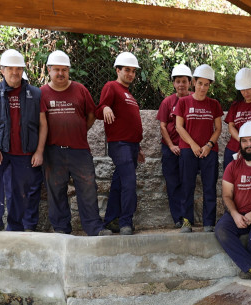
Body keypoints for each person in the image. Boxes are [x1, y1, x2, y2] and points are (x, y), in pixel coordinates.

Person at [40, 50, 111, 236]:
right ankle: (61, 229)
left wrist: (78, 131)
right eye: (56, 69)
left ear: (69, 70)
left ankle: (94, 228)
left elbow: (91, 115)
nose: (60, 73)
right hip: (53, 151)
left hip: (79, 150)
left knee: (88, 188)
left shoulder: (80, 90)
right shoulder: (42, 93)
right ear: (48, 70)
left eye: (64, 69)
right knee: (56, 190)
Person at [0, 49, 47, 235]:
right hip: (0, 149)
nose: (15, 72)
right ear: (2, 70)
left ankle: (15, 227)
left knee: (20, 191)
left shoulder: (35, 94)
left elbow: (43, 124)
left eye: (18, 68)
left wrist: (39, 151)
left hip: (25, 152)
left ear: (23, 70)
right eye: (10, 68)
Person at [215, 121, 251, 282]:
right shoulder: (233, 166)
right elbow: (226, 195)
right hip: (238, 212)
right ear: (240, 143)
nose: (249, 145)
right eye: (245, 141)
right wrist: (234, 215)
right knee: (221, 229)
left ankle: (248, 267)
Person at [96, 52, 145, 235]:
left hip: (132, 146)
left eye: (133, 71)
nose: (130, 74)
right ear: (118, 70)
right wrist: (106, 106)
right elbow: (99, 109)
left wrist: (138, 148)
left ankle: (110, 220)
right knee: (129, 182)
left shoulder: (129, 94)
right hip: (120, 144)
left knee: (119, 183)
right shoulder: (111, 86)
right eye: (127, 70)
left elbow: (130, 122)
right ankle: (125, 222)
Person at [175, 64, 222, 233]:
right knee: (187, 185)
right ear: (194, 82)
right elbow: (179, 127)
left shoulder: (214, 104)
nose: (203, 88)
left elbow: (218, 128)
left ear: (210, 85)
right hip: (188, 150)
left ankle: (209, 223)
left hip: (209, 151)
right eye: (200, 83)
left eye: (206, 84)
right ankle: (186, 221)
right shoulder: (183, 102)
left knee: (210, 186)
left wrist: (209, 145)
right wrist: (193, 145)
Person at [157, 64, 192, 229]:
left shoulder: (194, 100)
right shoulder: (167, 102)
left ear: (189, 83)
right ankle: (178, 218)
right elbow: (163, 126)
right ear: (173, 84)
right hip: (170, 149)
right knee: (173, 183)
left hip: (189, 149)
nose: (181, 85)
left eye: (184, 81)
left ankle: (187, 217)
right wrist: (171, 146)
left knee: (188, 182)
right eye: (178, 81)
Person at [223, 68, 251, 173]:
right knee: (230, 180)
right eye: (242, 89)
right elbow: (231, 126)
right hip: (233, 148)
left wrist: (248, 144)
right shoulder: (235, 105)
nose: (245, 92)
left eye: (248, 88)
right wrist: (242, 141)